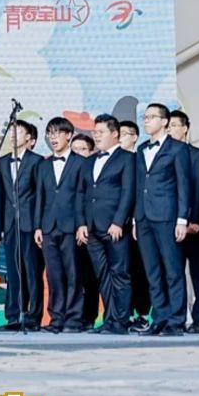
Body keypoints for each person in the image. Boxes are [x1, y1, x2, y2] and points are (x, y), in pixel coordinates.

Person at [133, 102, 189, 336]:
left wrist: (182, 219)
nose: (146, 121)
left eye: (151, 117)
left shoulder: (178, 148)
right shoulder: (141, 149)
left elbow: (184, 185)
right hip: (144, 217)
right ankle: (160, 317)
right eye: (145, 117)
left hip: (167, 216)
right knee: (152, 271)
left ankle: (176, 320)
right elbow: (139, 186)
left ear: (165, 121)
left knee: (173, 270)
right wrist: (135, 219)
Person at [79, 114, 134, 334]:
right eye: (95, 132)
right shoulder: (89, 161)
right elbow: (82, 193)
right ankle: (109, 319)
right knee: (102, 275)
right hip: (92, 227)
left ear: (115, 134)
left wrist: (119, 221)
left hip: (114, 226)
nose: (96, 136)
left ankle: (121, 320)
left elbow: (128, 192)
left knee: (119, 274)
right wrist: (82, 223)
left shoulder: (127, 158)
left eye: (101, 132)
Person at [34, 117, 88, 333]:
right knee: (53, 274)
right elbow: (40, 196)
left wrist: (82, 224)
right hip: (48, 227)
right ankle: (56, 318)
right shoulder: (43, 165)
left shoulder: (81, 163)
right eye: (50, 134)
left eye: (57, 133)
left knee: (73, 273)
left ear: (69, 135)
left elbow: (83, 196)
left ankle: (74, 319)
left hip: (71, 226)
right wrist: (38, 226)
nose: (53, 138)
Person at [0, 121, 45, 331]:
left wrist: (38, 225)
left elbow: (40, 194)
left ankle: (33, 316)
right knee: (13, 271)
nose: (13, 135)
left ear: (29, 138)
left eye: (18, 131)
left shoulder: (37, 161)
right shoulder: (3, 161)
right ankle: (13, 314)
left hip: (30, 223)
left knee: (32, 271)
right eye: (11, 131)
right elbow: (1, 195)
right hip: (10, 224)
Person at [169, 110, 199, 333]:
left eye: (174, 125)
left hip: (193, 226)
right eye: (168, 126)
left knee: (197, 273)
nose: (170, 130)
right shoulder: (163, 155)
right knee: (173, 273)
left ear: (185, 128)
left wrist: (198, 220)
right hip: (169, 225)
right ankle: (176, 317)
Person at [117, 121, 150, 329]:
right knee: (122, 270)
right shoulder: (112, 161)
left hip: (137, 222)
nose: (119, 137)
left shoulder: (139, 160)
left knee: (140, 269)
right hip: (116, 223)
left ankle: (143, 314)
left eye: (124, 134)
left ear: (135, 137)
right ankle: (123, 314)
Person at [67, 133, 101, 327]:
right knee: (73, 276)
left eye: (83, 149)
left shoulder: (94, 171)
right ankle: (73, 316)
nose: (78, 153)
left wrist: (85, 226)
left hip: (90, 230)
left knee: (91, 276)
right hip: (67, 230)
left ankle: (89, 317)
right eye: (75, 149)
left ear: (91, 152)